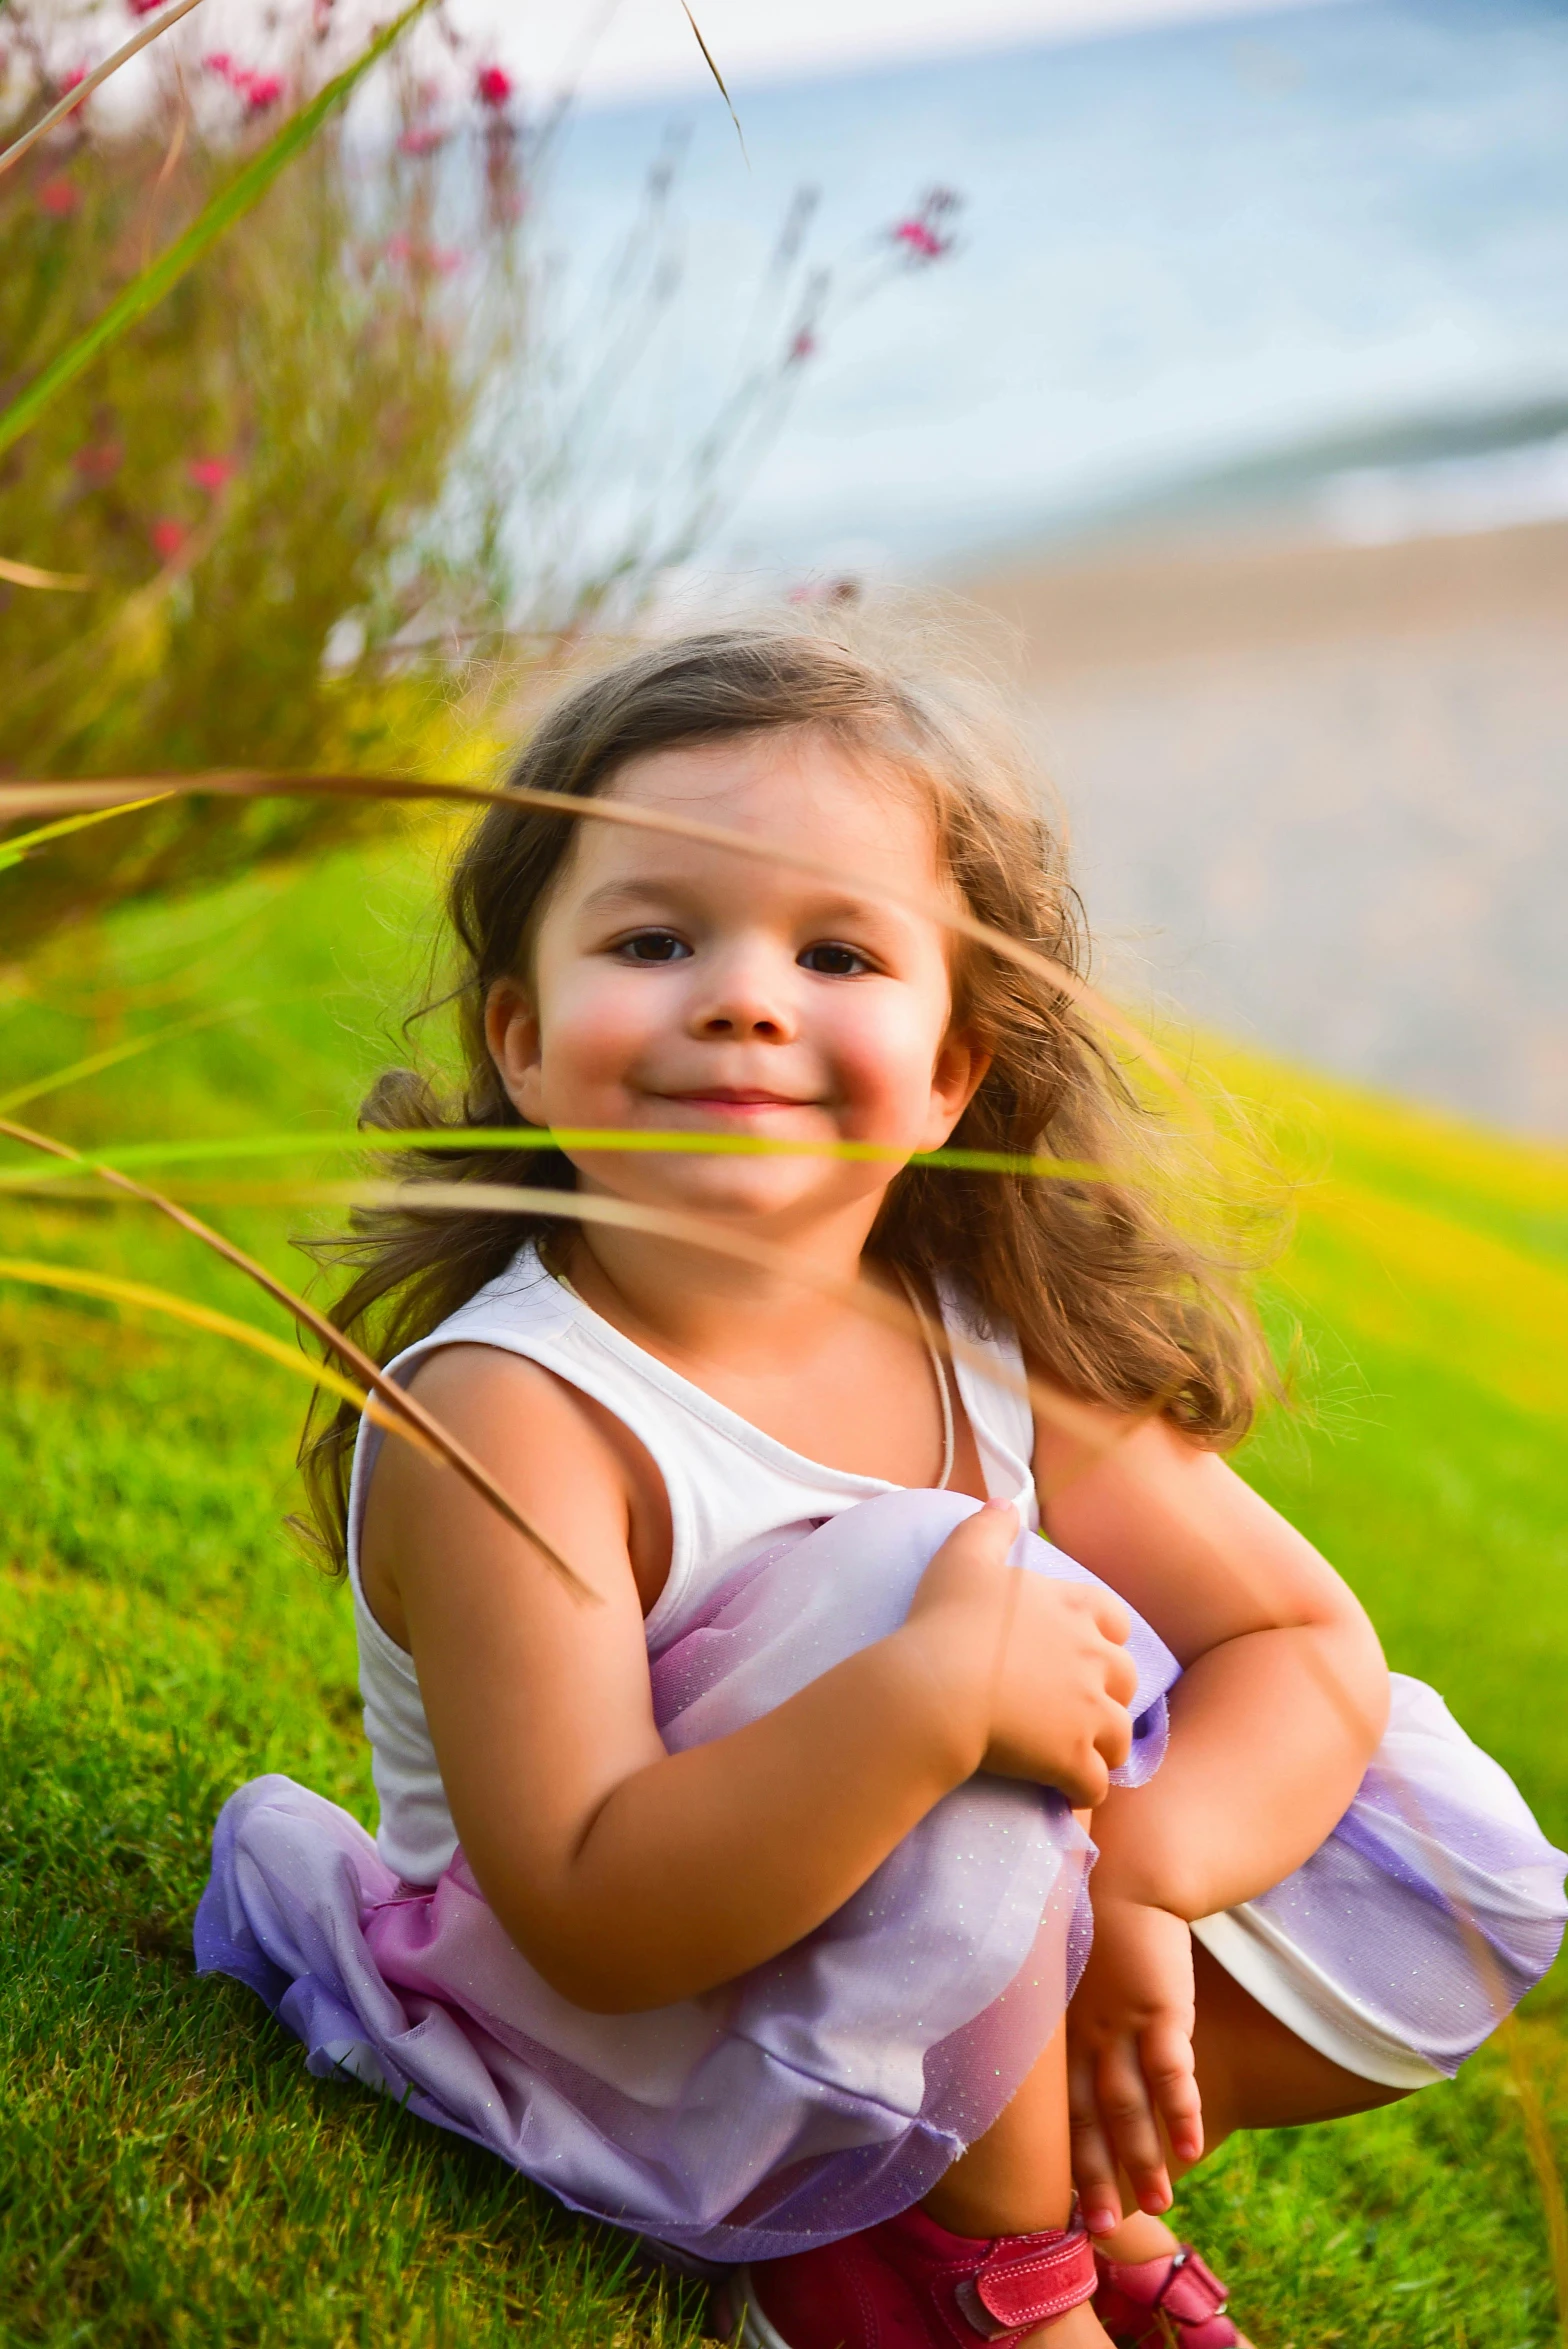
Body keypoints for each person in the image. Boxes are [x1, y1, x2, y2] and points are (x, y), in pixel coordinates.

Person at [197, 625, 1567, 2349]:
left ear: (948, 1075)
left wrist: (1138, 1876)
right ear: (525, 1040)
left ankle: (995, 2172)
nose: (745, 995)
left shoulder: (978, 1335)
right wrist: (931, 1698)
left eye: (837, 951)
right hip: (628, 2034)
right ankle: (942, 2265)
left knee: (1446, 1840)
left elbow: (1298, 1633)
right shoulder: (515, 1411)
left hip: (904, 1974)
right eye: (655, 938)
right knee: (949, 1585)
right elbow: (594, 1918)